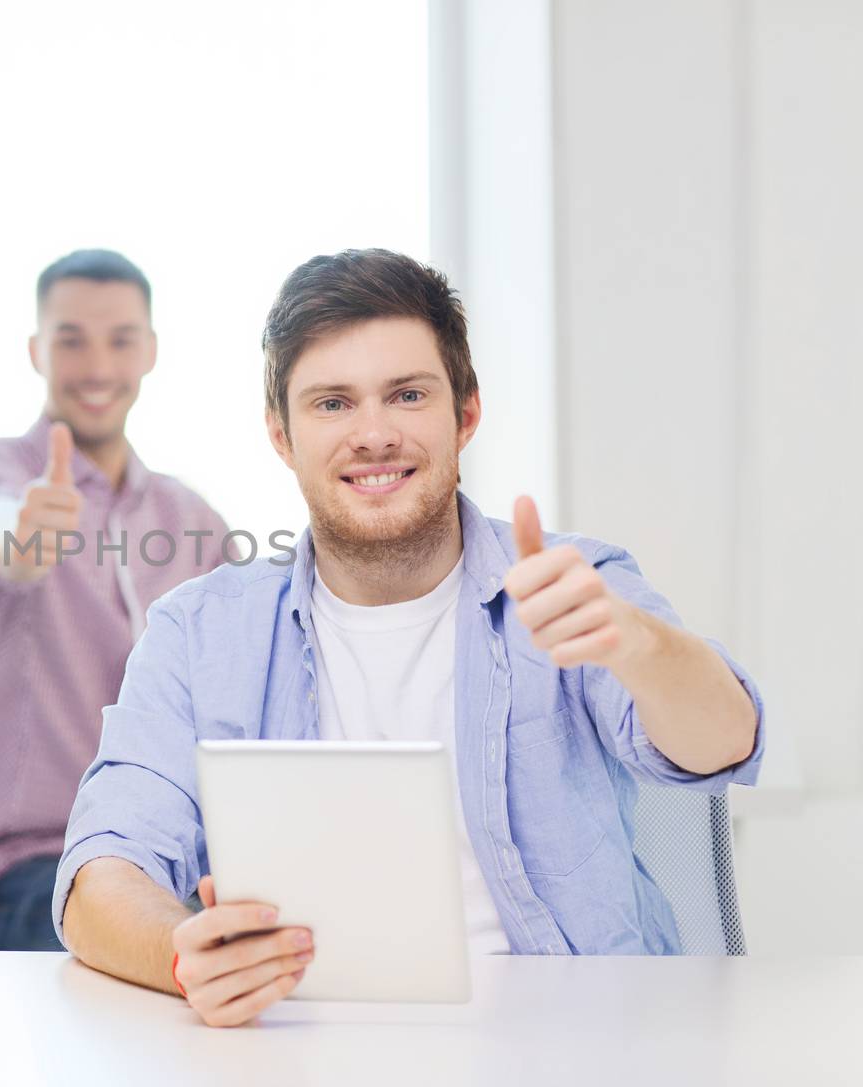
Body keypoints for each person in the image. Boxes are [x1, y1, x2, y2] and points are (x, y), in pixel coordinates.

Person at [54, 249, 765, 1025]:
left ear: (465, 414)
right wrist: (184, 954)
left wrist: (639, 645)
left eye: (407, 394)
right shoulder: (200, 633)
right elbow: (100, 871)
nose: (373, 433)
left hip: (570, 1041)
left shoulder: (574, 583)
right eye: (332, 403)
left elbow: (724, 738)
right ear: (281, 437)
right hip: (300, 1042)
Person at [0, 249, 230, 950]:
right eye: (71, 340)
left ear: (149, 351)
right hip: (29, 874)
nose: (97, 366)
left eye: (120, 339)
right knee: (195, 963)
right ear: (37, 350)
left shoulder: (193, 520)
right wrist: (25, 536)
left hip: (173, 863)